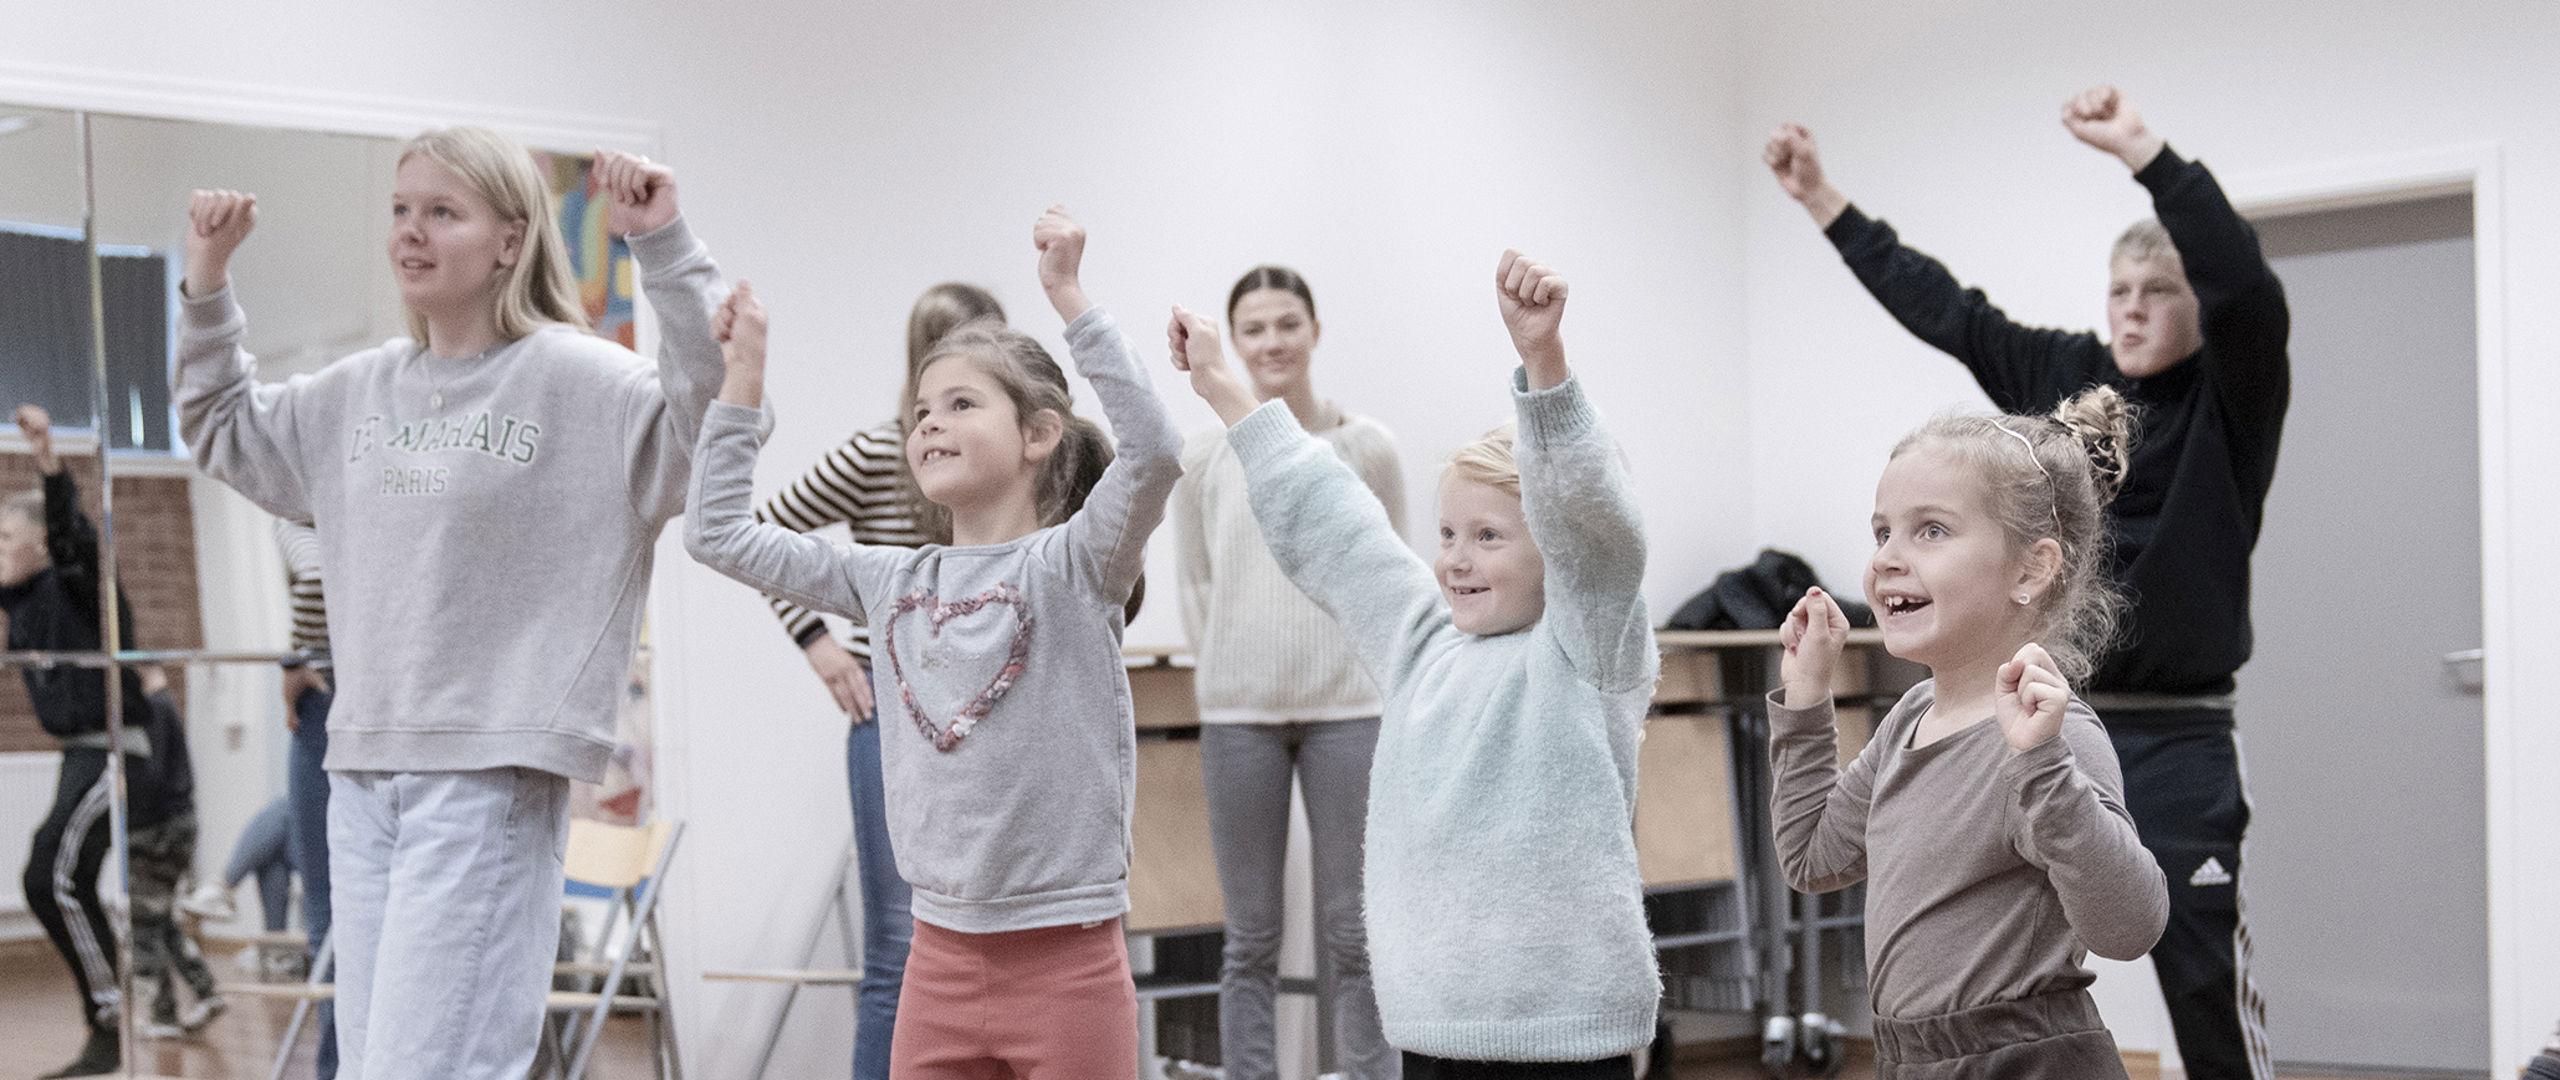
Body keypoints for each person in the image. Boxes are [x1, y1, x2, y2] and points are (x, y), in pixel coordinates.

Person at [171, 131, 734, 1079]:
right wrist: (209, 278)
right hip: (363, 769)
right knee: (372, 1066)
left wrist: (665, 245)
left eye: (442, 211)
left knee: (432, 1068)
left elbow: (713, 422)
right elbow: (220, 428)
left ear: (510, 240)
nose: (410, 233)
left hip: (490, 769)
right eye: (400, 209)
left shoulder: (575, 377)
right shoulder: (356, 390)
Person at [1765, 84, 2287, 1079]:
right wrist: (1824, 202)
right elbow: (1950, 315)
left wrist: (2142, 150)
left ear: (2197, 306)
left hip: (2178, 730)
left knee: (2198, 977)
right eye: (2118, 293)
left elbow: (2246, 290)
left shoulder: (2230, 396)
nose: (2132, 311)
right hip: (2033, 697)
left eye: (2159, 292)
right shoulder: (2066, 378)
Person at [686, 207, 1180, 1078]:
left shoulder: (1073, 565)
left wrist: (1070, 297)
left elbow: (1156, 449)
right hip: (938, 960)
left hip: (1066, 960)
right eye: (920, 410)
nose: (928, 424)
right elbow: (717, 533)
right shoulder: (887, 582)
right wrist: (744, 379)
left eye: (960, 404)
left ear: (1037, 434)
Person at [1170, 252, 1659, 1075]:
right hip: (1433, 1029)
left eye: (1490, 537)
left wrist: (1545, 363)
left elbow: (1594, 525)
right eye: (1447, 536)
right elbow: (1333, 521)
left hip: (1573, 1032)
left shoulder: (1590, 648)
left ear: (1555, 552)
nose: (1457, 561)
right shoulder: (1422, 647)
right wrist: (1222, 386)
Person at [1771, 388, 2170, 1078]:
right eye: (1882, 532)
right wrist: (1807, 697)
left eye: (1931, 530)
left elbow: (2131, 926)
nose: (1889, 558)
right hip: (1911, 1061)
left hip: (2027, 1060)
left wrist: (2043, 766)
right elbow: (1812, 857)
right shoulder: (1909, 721)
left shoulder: (2055, 734)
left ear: (2030, 570)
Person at [748, 281, 1005, 1080]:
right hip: (890, 714)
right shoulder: (874, 454)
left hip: (989, 716)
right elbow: (763, 532)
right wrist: (819, 644)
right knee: (898, 947)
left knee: (992, 947)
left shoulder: (1008, 469)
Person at [1171, 264, 1401, 1080]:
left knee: (1356, 931)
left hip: (1349, 711)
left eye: (1286, 324)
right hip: (1239, 717)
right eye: (1255, 328)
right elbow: (1196, 580)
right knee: (1251, 938)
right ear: (1234, 342)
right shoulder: (1203, 455)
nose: (1272, 342)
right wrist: (1230, 662)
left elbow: (1389, 572)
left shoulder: (1367, 448)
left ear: (1314, 331)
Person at [5, 402, 167, 1077]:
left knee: (53, 876)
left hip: (115, 750)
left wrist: (46, 456)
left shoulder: (76, 584)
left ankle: (112, 1021)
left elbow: (71, 531)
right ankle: (107, 1024)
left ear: (39, 544)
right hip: (83, 755)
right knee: (58, 880)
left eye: (4, 537)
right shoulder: (18, 599)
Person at [126, 672, 225, 1040]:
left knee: (145, 924)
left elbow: (148, 774)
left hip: (156, 829)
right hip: (177, 824)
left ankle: (161, 1014)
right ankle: (205, 990)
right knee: (160, 917)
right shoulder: (166, 705)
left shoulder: (151, 708)